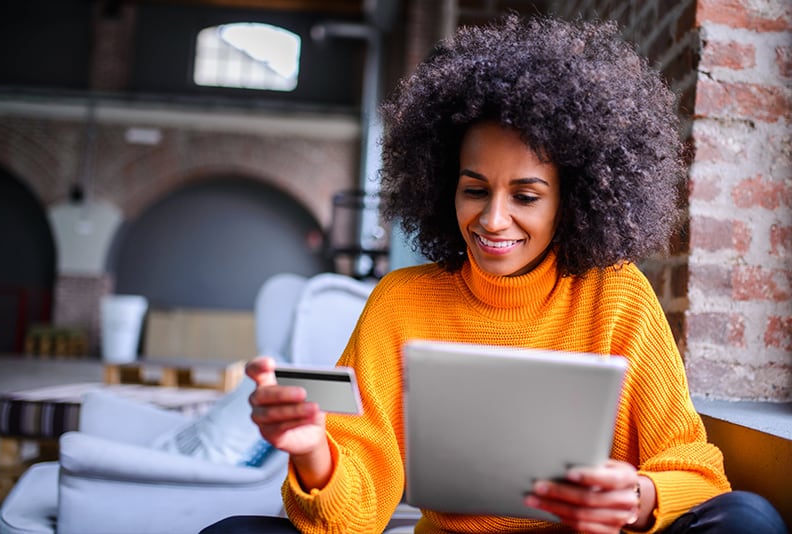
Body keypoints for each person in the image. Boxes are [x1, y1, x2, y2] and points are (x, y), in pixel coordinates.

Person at [202, 14, 787, 534]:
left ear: (572, 201)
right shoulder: (402, 300)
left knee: (749, 519)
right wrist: (313, 455)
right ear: (443, 187)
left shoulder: (617, 295)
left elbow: (699, 471)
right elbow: (354, 516)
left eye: (527, 196)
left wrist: (636, 497)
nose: (492, 218)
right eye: (474, 189)